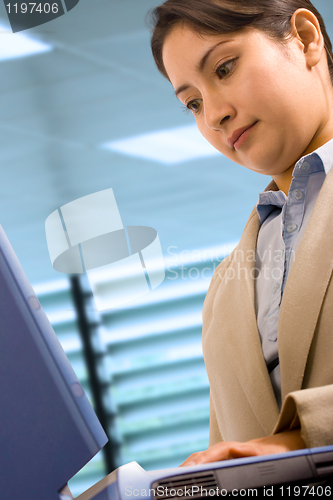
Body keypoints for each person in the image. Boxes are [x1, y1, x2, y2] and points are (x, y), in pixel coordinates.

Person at [149, 0, 333, 466]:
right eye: (192, 102)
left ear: (306, 39)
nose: (213, 115)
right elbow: (229, 457)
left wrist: (300, 441)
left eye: (225, 68)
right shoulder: (223, 294)